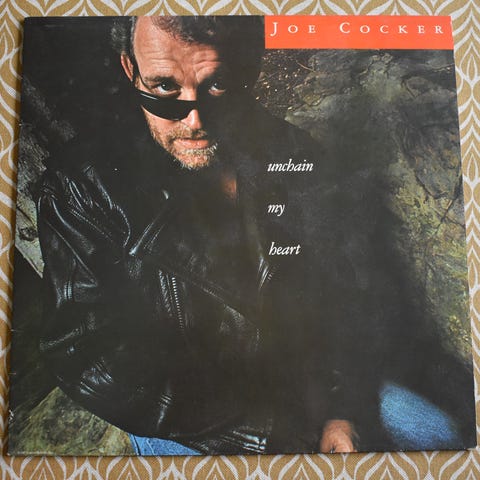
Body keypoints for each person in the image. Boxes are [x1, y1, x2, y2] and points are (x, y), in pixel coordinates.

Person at [36, 16, 361, 455]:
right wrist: (262, 433)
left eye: (217, 84)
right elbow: (86, 355)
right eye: (164, 88)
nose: (194, 120)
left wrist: (339, 408)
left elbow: (338, 291)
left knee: (433, 431)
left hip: (304, 390)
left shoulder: (292, 151)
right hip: (191, 417)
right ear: (130, 68)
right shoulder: (81, 187)